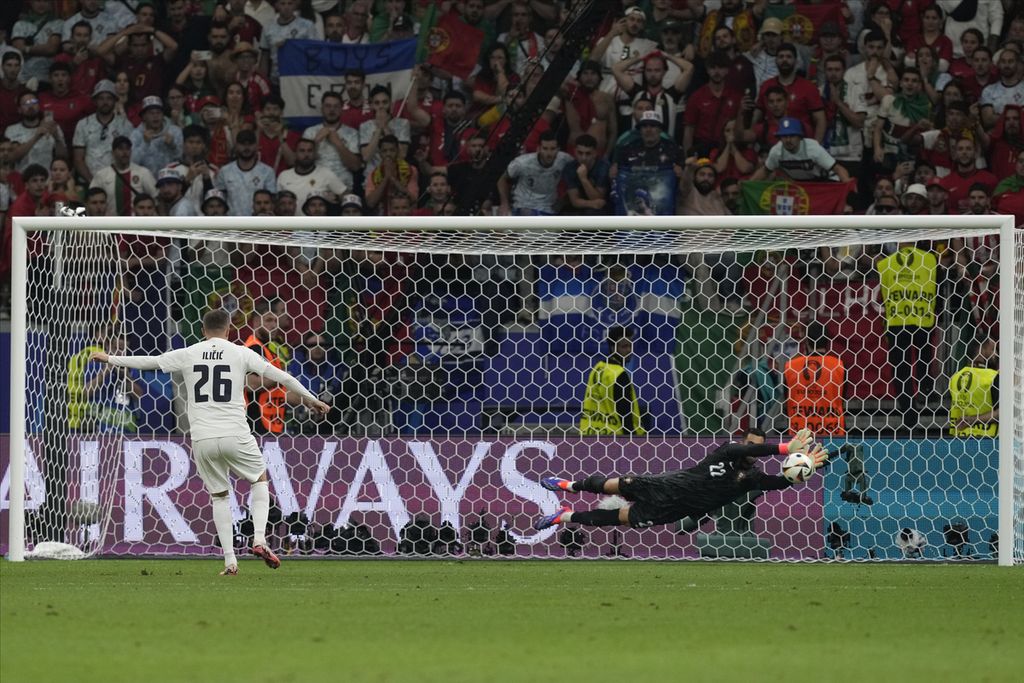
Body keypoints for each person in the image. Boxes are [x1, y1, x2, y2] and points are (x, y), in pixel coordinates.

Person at [89, 308, 329, 575]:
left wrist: (110, 357)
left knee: (219, 496)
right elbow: (282, 377)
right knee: (259, 480)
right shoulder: (240, 352)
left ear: (203, 331)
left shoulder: (189, 353)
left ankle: (229, 561)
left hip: (202, 438)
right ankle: (259, 540)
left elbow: (151, 361)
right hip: (235, 433)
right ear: (228, 330)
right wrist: (311, 398)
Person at [534, 428, 827, 530]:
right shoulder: (726, 452)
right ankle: (568, 485)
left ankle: (565, 516)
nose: (752, 452)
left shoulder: (749, 479)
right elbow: (752, 448)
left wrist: (800, 474)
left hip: (670, 510)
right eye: (751, 445)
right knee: (615, 484)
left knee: (618, 518)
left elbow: (776, 483)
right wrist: (785, 448)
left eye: (756, 449)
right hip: (664, 485)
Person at [579, 326, 645, 437]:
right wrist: (633, 440)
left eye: (630, 346)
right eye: (624, 346)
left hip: (589, 434)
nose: (629, 350)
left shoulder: (597, 368)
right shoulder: (619, 375)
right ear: (613, 347)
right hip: (615, 437)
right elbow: (624, 413)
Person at [783, 323, 845, 437]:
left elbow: (786, 399)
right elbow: (843, 397)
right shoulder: (838, 365)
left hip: (799, 432)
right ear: (827, 342)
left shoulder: (791, 366)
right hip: (832, 431)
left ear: (806, 342)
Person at [949, 337, 999, 438]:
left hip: (959, 439)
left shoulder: (955, 377)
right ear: (982, 350)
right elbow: (1003, 413)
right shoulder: (993, 377)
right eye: (993, 349)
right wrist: (973, 419)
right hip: (988, 442)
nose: (996, 354)